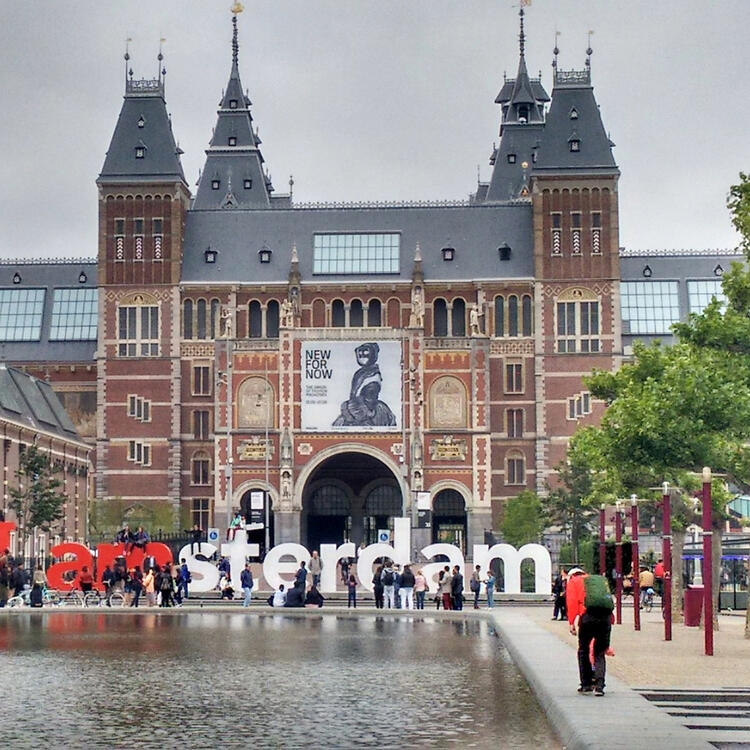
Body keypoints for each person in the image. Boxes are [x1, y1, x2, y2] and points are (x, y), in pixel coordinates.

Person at [566, 567, 613, 697]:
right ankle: (599, 686)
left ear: (571, 575)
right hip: (605, 618)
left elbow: (572, 603)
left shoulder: (574, 582)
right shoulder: (595, 581)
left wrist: (571, 622)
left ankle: (586, 684)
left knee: (583, 649)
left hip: (587, 617)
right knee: (599, 651)